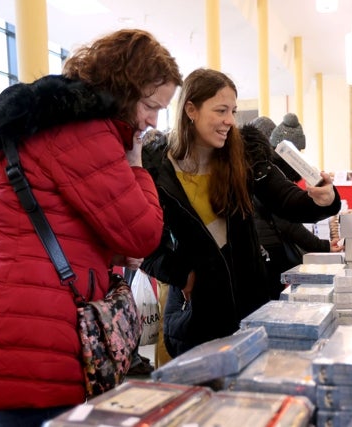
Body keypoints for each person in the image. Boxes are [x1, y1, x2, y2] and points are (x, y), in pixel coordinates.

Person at [0, 29, 182, 427]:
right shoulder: (83, 131)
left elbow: (36, 225)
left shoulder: (35, 124)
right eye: (150, 104)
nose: (153, 120)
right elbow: (142, 234)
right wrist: (136, 163)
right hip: (39, 334)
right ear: (123, 87)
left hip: (8, 317)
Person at [141, 68, 341, 357]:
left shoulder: (244, 155)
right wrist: (181, 274)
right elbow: (142, 243)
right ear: (191, 109)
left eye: (233, 111)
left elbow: (286, 200)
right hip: (196, 315)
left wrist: (325, 199)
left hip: (250, 308)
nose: (230, 121)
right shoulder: (158, 170)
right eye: (221, 110)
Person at [248, 116, 343, 298]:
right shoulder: (263, 177)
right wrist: (322, 246)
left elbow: (293, 208)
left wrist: (328, 202)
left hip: (265, 254)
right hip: (268, 254)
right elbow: (287, 220)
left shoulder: (268, 175)